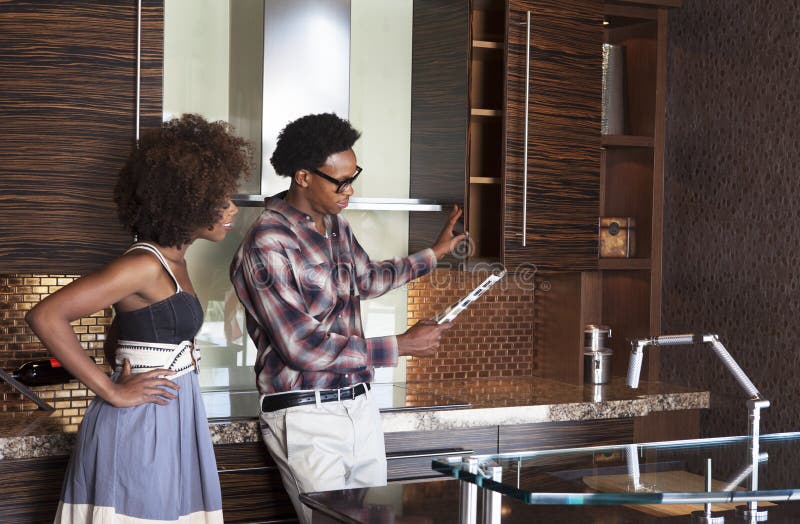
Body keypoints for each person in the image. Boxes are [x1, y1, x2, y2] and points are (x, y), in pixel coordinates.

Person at [230, 112, 466, 524]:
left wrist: (434, 254)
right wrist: (401, 345)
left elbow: (367, 279)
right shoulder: (266, 245)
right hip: (306, 414)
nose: (350, 189)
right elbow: (301, 346)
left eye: (353, 176)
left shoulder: (335, 226)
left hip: (358, 407)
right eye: (340, 181)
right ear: (303, 177)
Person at [25, 114, 251, 523]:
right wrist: (112, 392)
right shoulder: (145, 264)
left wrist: (138, 358)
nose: (231, 208)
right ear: (187, 199)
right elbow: (46, 314)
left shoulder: (174, 260)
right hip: (141, 422)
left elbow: (125, 335)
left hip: (172, 414)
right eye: (220, 200)